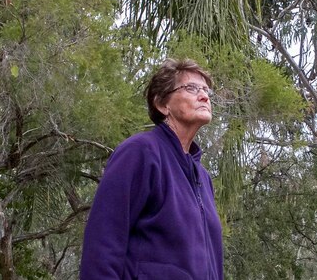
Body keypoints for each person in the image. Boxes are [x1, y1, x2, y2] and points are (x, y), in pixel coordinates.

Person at [80, 59, 223, 279]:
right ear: (162, 104)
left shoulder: (202, 177)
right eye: (191, 88)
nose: (204, 96)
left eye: (205, 90)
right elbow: (103, 243)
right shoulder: (140, 153)